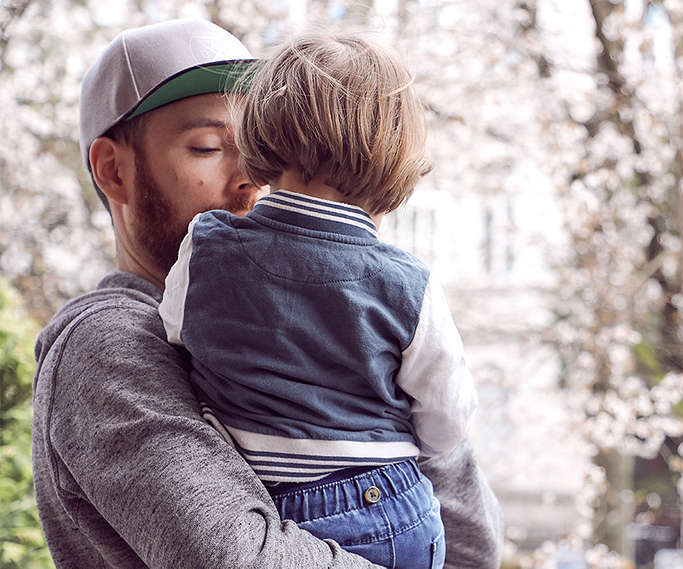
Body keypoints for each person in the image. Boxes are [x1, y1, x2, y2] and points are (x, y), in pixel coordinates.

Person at [31, 18, 502, 569]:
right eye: (208, 147)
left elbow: (471, 542)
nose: (252, 179)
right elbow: (238, 558)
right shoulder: (105, 343)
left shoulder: (361, 299)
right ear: (113, 170)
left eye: (264, 151)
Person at [157, 32, 476, 569]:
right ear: (394, 158)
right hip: (390, 510)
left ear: (259, 136)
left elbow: (174, 330)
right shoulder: (410, 283)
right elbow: (449, 417)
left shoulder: (207, 244)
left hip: (259, 506)